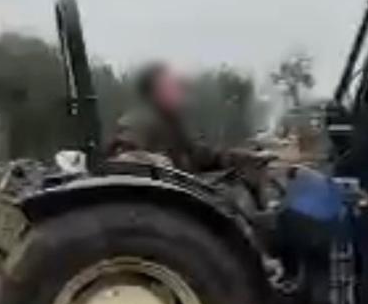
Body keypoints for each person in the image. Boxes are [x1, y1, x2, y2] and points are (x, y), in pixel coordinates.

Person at [108, 63, 278, 205]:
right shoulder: (140, 120)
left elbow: (204, 156)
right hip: (164, 204)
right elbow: (123, 157)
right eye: (170, 87)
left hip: (185, 196)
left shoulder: (174, 124)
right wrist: (151, 162)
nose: (180, 91)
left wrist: (243, 157)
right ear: (154, 92)